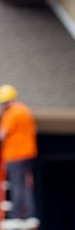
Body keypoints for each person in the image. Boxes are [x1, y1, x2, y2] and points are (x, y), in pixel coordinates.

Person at [0, 84, 37, 221]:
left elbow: (2, 134)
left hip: (14, 154)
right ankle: (28, 212)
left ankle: (17, 213)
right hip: (28, 153)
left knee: (17, 184)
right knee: (24, 183)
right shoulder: (24, 110)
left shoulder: (11, 114)